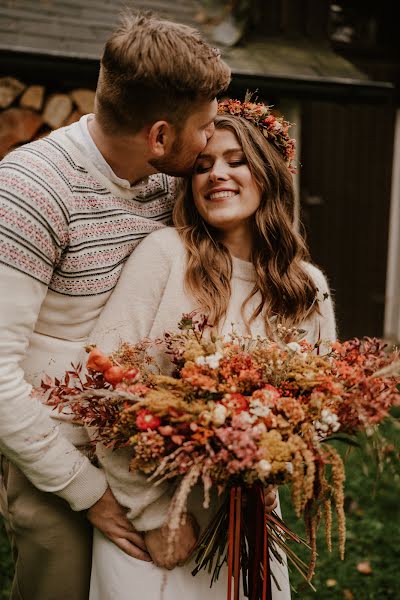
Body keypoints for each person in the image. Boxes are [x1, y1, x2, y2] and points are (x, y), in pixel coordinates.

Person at [0, 11, 231, 600]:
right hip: (58, 457)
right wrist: (89, 492)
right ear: (158, 135)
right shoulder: (30, 191)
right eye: (204, 129)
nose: (210, 141)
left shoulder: (166, 180)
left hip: (152, 444)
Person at [86, 99, 337, 599]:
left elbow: (321, 405)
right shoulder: (164, 256)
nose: (216, 175)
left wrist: (274, 452)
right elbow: (103, 390)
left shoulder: (306, 287)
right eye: (201, 166)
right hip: (156, 519)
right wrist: (155, 516)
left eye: (234, 159)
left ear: (267, 172)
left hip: (251, 519)